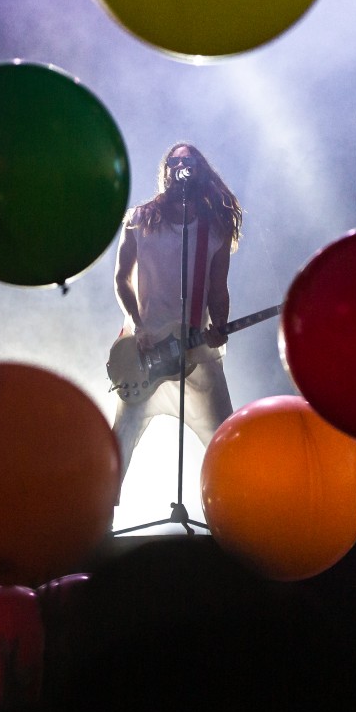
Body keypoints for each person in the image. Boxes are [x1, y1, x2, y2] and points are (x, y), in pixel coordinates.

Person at [110, 143, 240, 484]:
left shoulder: (216, 227)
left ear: (201, 169)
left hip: (195, 347)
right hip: (145, 348)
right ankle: (100, 517)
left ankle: (230, 515)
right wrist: (137, 326)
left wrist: (220, 326)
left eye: (189, 160)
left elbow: (217, 288)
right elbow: (122, 279)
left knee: (225, 438)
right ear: (165, 170)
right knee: (121, 439)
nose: (180, 165)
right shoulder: (140, 219)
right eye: (174, 160)